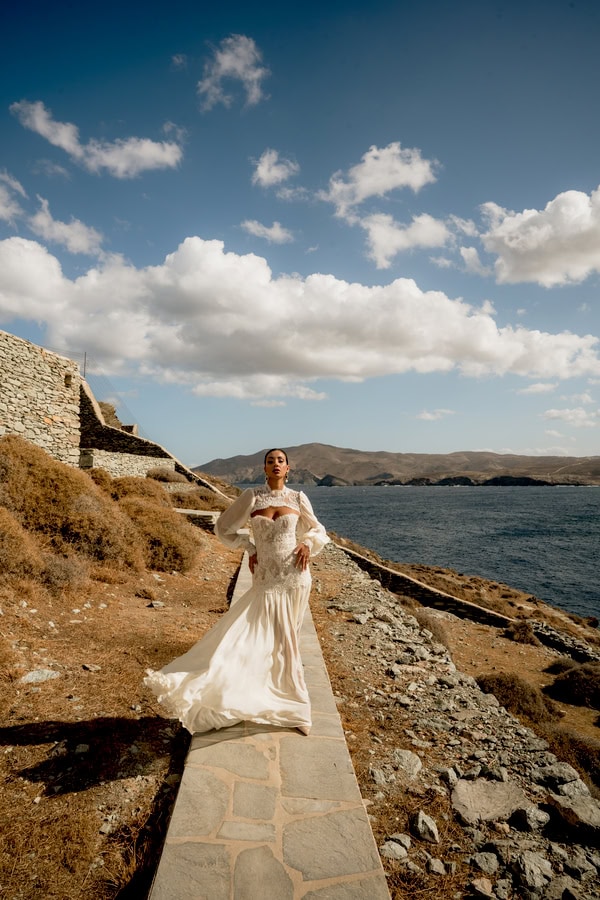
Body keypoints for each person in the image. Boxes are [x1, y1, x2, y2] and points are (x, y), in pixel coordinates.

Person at [144, 448, 329, 735]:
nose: (275, 464)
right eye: (270, 461)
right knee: (259, 640)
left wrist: (307, 542)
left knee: (286, 641)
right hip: (266, 581)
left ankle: (290, 704)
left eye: (280, 461)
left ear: (288, 468)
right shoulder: (253, 497)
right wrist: (250, 547)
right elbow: (224, 527)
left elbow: (319, 529)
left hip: (295, 578)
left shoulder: (297, 498)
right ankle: (294, 707)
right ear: (264, 469)